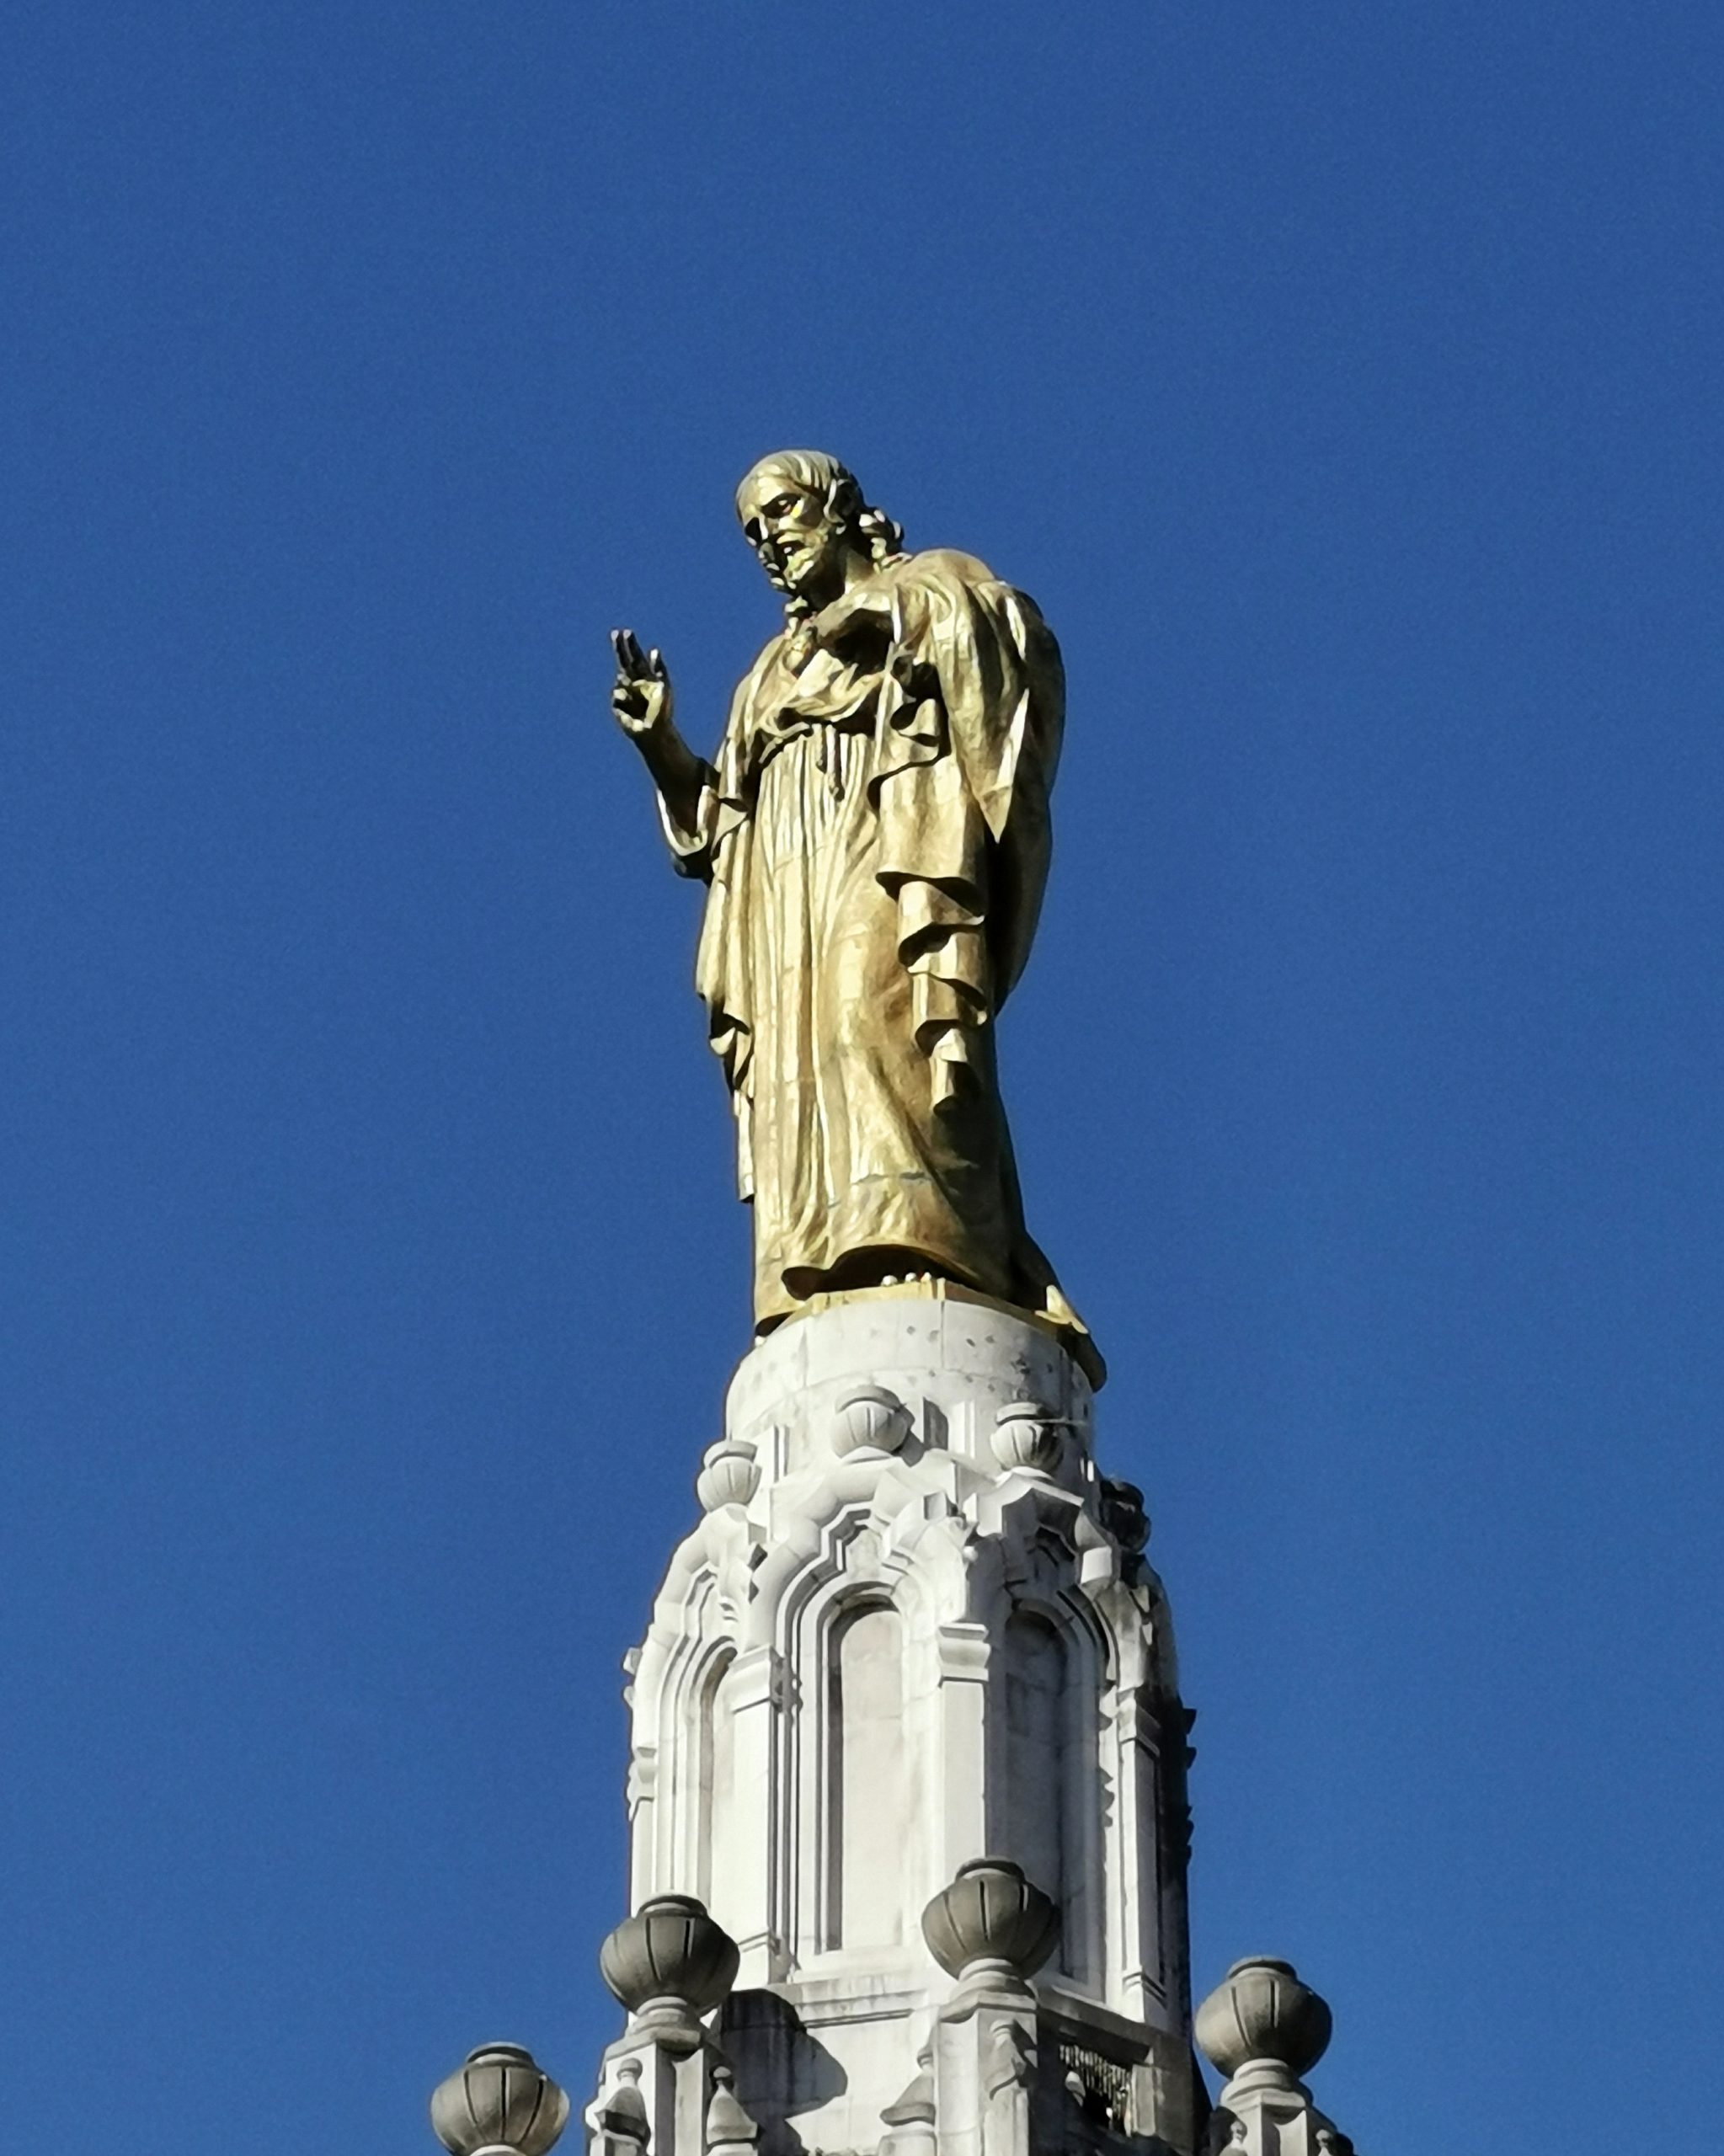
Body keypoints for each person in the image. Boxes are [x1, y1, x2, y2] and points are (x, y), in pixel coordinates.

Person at [609, 450, 1092, 1371]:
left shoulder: (932, 584)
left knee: (874, 1017)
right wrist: (662, 745)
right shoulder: (767, 672)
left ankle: (930, 1238)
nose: (769, 540)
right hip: (783, 886)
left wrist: (890, 612)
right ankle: (824, 1257)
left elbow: (1007, 647)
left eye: (783, 512)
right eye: (753, 530)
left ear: (837, 508)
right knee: (805, 1059)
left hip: (888, 839)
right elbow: (720, 831)